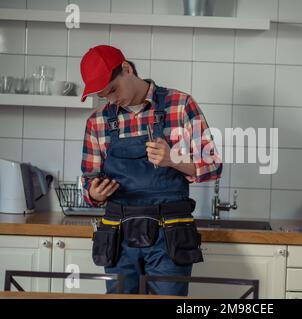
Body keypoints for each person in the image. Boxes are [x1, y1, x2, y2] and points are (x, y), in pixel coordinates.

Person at [79, 45, 222, 295]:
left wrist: (173, 159)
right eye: (104, 96)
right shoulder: (98, 121)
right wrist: (95, 193)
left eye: (113, 90)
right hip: (118, 236)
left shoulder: (180, 105)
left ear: (127, 69)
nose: (112, 100)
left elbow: (213, 165)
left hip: (169, 236)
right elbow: (88, 182)